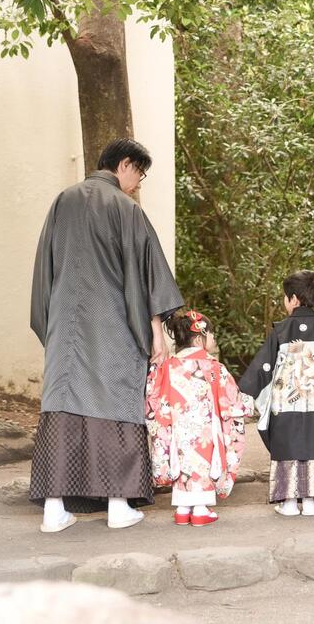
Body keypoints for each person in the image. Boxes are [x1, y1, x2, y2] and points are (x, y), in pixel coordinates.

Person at [29, 137, 183, 533]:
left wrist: (51, 320)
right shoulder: (125, 209)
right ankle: (118, 506)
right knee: (116, 403)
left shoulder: (63, 200)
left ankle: (53, 509)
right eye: (140, 174)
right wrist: (156, 333)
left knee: (63, 403)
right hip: (113, 322)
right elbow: (148, 276)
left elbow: (44, 266)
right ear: (125, 164)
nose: (138, 183)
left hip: (66, 324)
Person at [239, 271, 314, 517]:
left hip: (285, 403)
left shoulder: (280, 331)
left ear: (292, 299)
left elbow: (263, 367)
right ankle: (313, 502)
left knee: (286, 445)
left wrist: (245, 393)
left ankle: (289, 501)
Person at [145, 310, 252, 526]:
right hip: (206, 432)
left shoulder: (166, 368)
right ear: (199, 337)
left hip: (176, 430)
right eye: (211, 334)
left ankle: (183, 509)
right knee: (205, 461)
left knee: (179, 458)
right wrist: (246, 404)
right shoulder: (213, 368)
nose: (213, 339)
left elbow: (154, 400)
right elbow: (232, 401)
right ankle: (201, 509)